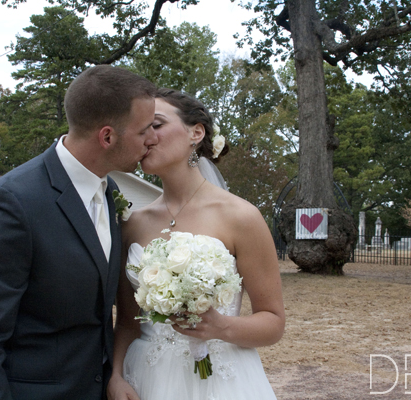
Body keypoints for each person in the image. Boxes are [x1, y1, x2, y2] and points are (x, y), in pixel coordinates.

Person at [0, 65, 158, 400]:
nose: (154, 138)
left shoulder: (108, 190)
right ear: (107, 136)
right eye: (145, 129)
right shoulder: (11, 203)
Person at [107, 89, 285, 400]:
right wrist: (116, 375)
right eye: (141, 129)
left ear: (196, 132)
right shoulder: (133, 223)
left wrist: (220, 327)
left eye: (157, 125)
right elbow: (126, 321)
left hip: (221, 380)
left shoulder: (241, 217)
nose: (146, 137)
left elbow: (273, 322)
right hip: (146, 378)